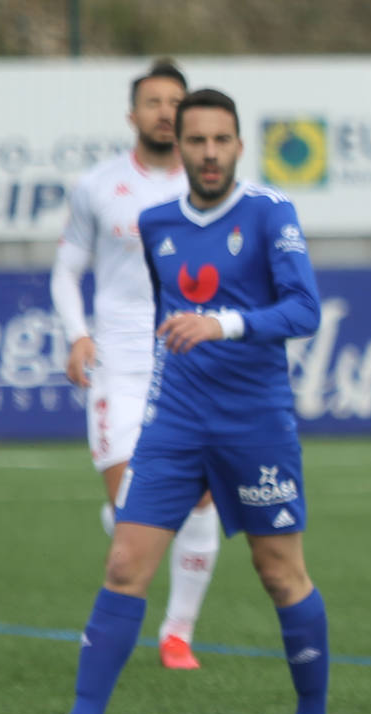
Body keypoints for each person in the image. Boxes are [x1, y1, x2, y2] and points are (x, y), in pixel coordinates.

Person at [13, 88, 332, 714]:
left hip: (255, 422)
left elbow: (304, 308)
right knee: (126, 562)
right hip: (176, 420)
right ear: (178, 148)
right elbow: (169, 314)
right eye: (197, 141)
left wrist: (224, 323)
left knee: (280, 572)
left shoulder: (271, 212)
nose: (210, 153)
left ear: (239, 145)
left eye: (222, 140)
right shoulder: (156, 222)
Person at [50, 58, 221, 672]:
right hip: (118, 367)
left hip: (188, 366)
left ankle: (177, 631)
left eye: (176, 101)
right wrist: (77, 336)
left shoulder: (211, 187)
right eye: (154, 101)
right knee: (133, 510)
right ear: (133, 114)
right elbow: (67, 270)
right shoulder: (98, 186)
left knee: (200, 502)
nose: (166, 112)